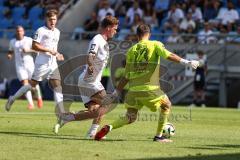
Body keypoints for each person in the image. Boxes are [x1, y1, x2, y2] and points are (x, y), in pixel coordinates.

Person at [94, 24, 200, 142]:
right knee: (166, 105)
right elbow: (169, 55)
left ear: (137, 36)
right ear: (149, 34)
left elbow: (126, 75)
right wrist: (187, 62)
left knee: (130, 117)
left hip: (133, 91)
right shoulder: (155, 44)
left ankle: (110, 127)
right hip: (150, 89)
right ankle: (159, 136)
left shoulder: (131, 50)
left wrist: (116, 92)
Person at [54, 16, 119, 139]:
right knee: (108, 103)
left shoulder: (105, 43)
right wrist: (90, 64)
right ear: (108, 28)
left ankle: (88, 132)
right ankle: (74, 120)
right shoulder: (98, 39)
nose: (115, 32)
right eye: (115, 29)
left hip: (90, 80)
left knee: (95, 111)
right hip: (89, 80)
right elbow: (90, 54)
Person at [5, 10, 65, 117]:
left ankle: (61, 113)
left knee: (57, 86)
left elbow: (54, 48)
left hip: (52, 63)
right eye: (50, 19)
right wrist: (49, 50)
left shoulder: (58, 32)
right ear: (46, 19)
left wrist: (57, 54)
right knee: (31, 85)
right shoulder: (40, 31)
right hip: (41, 64)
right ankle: (12, 98)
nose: (53, 21)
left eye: (54, 19)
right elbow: (34, 46)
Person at [7, 26, 43, 110]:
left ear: (23, 32)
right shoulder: (12, 42)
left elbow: (38, 49)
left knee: (34, 84)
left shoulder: (28, 40)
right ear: (16, 32)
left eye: (20, 31)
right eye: (17, 31)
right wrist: (9, 55)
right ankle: (31, 104)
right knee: (25, 84)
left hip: (30, 65)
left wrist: (28, 50)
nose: (19, 32)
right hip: (19, 66)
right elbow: (10, 51)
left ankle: (39, 98)